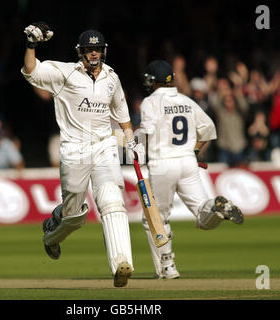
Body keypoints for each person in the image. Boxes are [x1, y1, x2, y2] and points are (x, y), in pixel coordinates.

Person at [21, 22, 144, 287]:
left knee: (112, 199)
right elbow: (31, 72)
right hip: (74, 149)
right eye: (89, 49)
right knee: (74, 217)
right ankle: (51, 236)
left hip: (103, 146)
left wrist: (131, 141)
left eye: (97, 49)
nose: (94, 54)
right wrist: (31, 45)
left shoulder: (112, 78)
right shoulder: (65, 73)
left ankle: (122, 264)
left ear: (103, 51)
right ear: (81, 51)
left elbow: (122, 116)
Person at [139, 60, 244, 279]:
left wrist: (138, 158)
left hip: (162, 164)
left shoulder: (150, 102)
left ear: (154, 81)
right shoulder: (187, 101)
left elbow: (146, 134)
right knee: (202, 214)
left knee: (156, 219)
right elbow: (208, 129)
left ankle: (167, 267)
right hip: (187, 163)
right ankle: (216, 207)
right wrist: (194, 152)